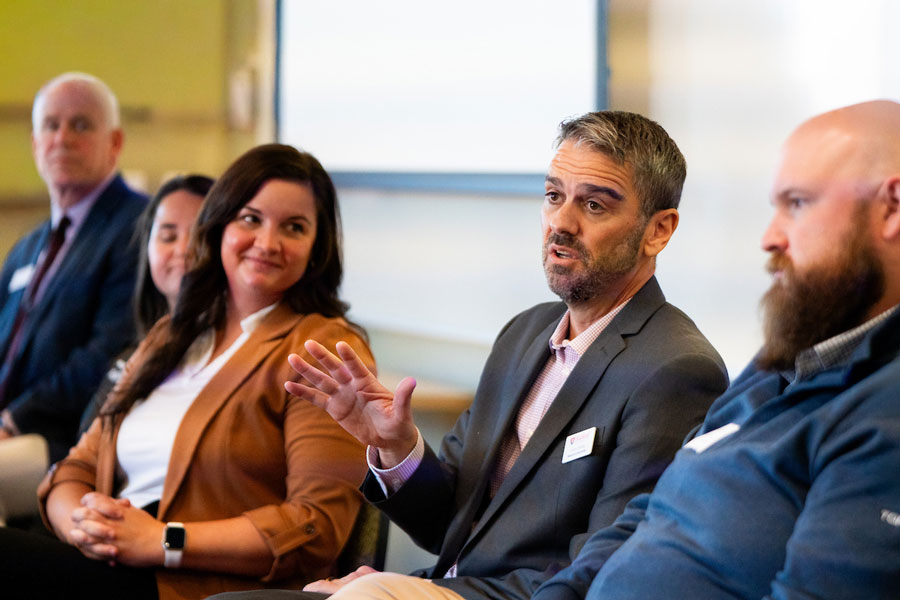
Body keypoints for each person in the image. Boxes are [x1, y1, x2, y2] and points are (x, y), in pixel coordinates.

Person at [216, 111, 730, 600]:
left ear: (658, 230)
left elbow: (606, 572)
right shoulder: (524, 334)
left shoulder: (675, 370)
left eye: (594, 205)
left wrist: (424, 593)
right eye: (554, 196)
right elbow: (446, 527)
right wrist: (396, 447)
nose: (562, 223)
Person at [528, 100, 900, 600]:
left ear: (892, 208)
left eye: (798, 203)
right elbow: (650, 510)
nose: (771, 238)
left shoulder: (882, 412)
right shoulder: (785, 362)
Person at [0, 144, 374, 600]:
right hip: (103, 560)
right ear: (218, 227)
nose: (267, 242)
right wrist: (80, 524)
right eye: (251, 219)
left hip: (196, 586)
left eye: (294, 227)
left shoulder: (321, 348)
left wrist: (163, 541)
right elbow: (74, 467)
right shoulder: (172, 336)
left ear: (317, 249)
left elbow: (317, 527)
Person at [0, 72, 147, 466]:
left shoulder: (140, 227)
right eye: (51, 125)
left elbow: (110, 353)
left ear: (114, 142)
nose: (62, 138)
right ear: (35, 145)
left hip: (67, 444)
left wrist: (13, 420)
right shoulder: (28, 246)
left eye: (81, 125)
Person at [75, 173, 214, 437]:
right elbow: (85, 451)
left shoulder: (234, 350)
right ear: (147, 249)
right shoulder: (133, 357)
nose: (183, 249)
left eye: (200, 234)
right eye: (168, 236)